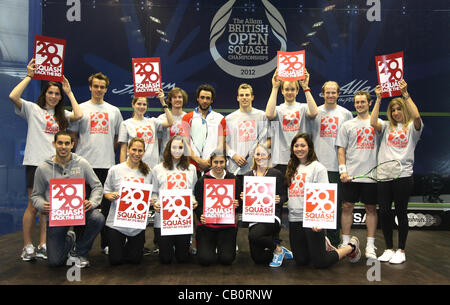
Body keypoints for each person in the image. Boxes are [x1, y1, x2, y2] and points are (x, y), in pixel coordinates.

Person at [8, 59, 82, 261]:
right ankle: (27, 246)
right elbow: (13, 96)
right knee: (33, 206)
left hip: (55, 166)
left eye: (57, 94)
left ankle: (42, 244)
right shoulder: (32, 109)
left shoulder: (62, 116)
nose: (53, 96)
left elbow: (79, 114)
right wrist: (29, 75)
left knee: (48, 207)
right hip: (35, 164)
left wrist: (69, 91)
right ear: (45, 94)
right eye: (51, 92)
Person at [30, 131, 104, 268]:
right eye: (60, 143)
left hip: (79, 212)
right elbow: (36, 195)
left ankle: (79, 252)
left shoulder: (82, 163)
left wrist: (93, 202)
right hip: (56, 216)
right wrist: (42, 205)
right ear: (54, 144)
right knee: (54, 262)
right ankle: (70, 238)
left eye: (66, 143)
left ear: (72, 145)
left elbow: (97, 186)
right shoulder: (43, 168)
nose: (63, 146)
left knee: (97, 218)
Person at [286, 133, 360, 269]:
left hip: (311, 219)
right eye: (296, 146)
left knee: (321, 262)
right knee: (301, 261)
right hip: (294, 219)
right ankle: (320, 245)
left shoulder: (318, 167)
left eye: (303, 145)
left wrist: (320, 221)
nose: (299, 149)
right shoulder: (291, 167)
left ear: (309, 148)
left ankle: (351, 247)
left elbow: (324, 194)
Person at [68, 72, 124, 253]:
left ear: (106, 89)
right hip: (83, 166)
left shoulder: (114, 111)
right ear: (90, 87)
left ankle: (106, 244)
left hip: (107, 165)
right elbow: (74, 136)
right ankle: (79, 244)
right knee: (82, 206)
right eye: (96, 86)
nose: (99, 89)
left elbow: (118, 137)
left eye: (102, 87)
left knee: (107, 208)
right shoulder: (81, 108)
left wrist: (108, 148)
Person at [370, 80, 423, 264]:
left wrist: (405, 94)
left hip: (404, 175)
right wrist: (378, 99)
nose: (396, 113)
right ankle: (388, 248)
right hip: (384, 174)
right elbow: (372, 121)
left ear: (403, 110)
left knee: (401, 212)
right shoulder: (385, 126)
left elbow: (416, 117)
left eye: (399, 109)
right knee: (384, 212)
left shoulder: (412, 129)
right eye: (393, 110)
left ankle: (401, 249)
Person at [307, 81, 353, 247]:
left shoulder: (346, 114)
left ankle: (334, 241)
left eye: (334, 92)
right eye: (328, 92)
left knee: (333, 206)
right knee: (315, 206)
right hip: (316, 166)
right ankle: (316, 241)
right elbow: (308, 138)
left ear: (338, 94)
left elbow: (348, 142)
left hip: (335, 167)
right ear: (323, 93)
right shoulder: (314, 112)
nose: (331, 95)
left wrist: (345, 167)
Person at [336, 91, 380, 259]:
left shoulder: (378, 124)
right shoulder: (347, 125)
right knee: (347, 207)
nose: (359, 105)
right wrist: (343, 170)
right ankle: (345, 242)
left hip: (372, 176)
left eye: (363, 102)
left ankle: (370, 245)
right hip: (351, 176)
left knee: (370, 209)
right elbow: (341, 149)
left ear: (369, 103)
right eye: (357, 102)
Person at [103, 138, 153, 265]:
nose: (136, 153)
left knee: (135, 260)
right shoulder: (115, 169)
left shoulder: (148, 172)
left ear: (144, 152)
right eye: (134, 150)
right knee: (115, 260)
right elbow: (106, 191)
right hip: (116, 224)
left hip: (136, 224)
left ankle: (127, 246)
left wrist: (151, 200)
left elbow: (152, 194)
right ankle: (119, 245)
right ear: (128, 150)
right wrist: (110, 196)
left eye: (140, 151)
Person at [241, 144, 292, 267]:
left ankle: (277, 250)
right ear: (253, 156)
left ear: (268, 156)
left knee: (254, 235)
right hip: (254, 216)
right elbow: (245, 200)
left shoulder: (276, 174)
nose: (260, 157)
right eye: (257, 154)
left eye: (263, 154)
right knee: (258, 259)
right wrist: (243, 197)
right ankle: (279, 249)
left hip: (272, 216)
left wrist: (279, 199)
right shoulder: (247, 175)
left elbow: (285, 196)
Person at [152, 135, 198, 264]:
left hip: (182, 219)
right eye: (174, 147)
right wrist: (155, 203)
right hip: (163, 219)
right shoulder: (158, 169)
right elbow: (154, 192)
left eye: (180, 147)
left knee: (182, 258)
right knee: (165, 259)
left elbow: (192, 192)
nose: (177, 150)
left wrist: (193, 201)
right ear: (168, 148)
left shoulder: (191, 169)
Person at [265, 69, 318, 177]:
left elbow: (314, 113)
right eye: (287, 89)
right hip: (281, 160)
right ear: (282, 91)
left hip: (300, 159)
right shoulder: (278, 109)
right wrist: (275, 87)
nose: (289, 92)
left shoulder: (303, 107)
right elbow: (269, 114)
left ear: (297, 91)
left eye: (292, 89)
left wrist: (305, 87)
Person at [193, 149, 240, 266]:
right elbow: (197, 204)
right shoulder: (202, 181)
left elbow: (240, 204)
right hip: (207, 226)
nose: (218, 165)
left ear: (226, 163)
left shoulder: (233, 179)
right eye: (215, 162)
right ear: (211, 162)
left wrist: (237, 204)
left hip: (227, 226)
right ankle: (211, 245)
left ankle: (221, 245)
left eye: (221, 162)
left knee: (227, 259)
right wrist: (201, 216)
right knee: (205, 260)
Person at [119, 91, 173, 168]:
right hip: (133, 166)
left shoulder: (153, 121)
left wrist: (163, 102)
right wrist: (122, 168)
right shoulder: (125, 124)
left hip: (152, 166)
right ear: (133, 105)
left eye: (144, 104)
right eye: (139, 104)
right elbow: (123, 149)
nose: (142, 107)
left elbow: (170, 122)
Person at [181, 84, 227, 174]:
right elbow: (185, 144)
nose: (205, 101)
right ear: (197, 98)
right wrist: (199, 161)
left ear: (212, 100)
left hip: (212, 167)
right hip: (191, 167)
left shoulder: (220, 118)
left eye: (208, 98)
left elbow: (221, 145)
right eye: (202, 97)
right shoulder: (187, 118)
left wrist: (209, 161)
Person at [225, 83, 269, 177]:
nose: (244, 97)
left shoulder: (261, 116)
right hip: (234, 169)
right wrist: (234, 156)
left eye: (247, 95)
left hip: (255, 169)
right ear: (237, 98)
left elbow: (264, 141)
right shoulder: (229, 119)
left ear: (252, 97)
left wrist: (255, 153)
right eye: (241, 95)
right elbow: (223, 143)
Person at [157, 87, 188, 158]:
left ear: (183, 100)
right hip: (165, 158)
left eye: (180, 97)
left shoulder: (188, 118)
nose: (177, 99)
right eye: (174, 97)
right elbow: (158, 141)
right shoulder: (162, 118)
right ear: (170, 100)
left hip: (182, 158)